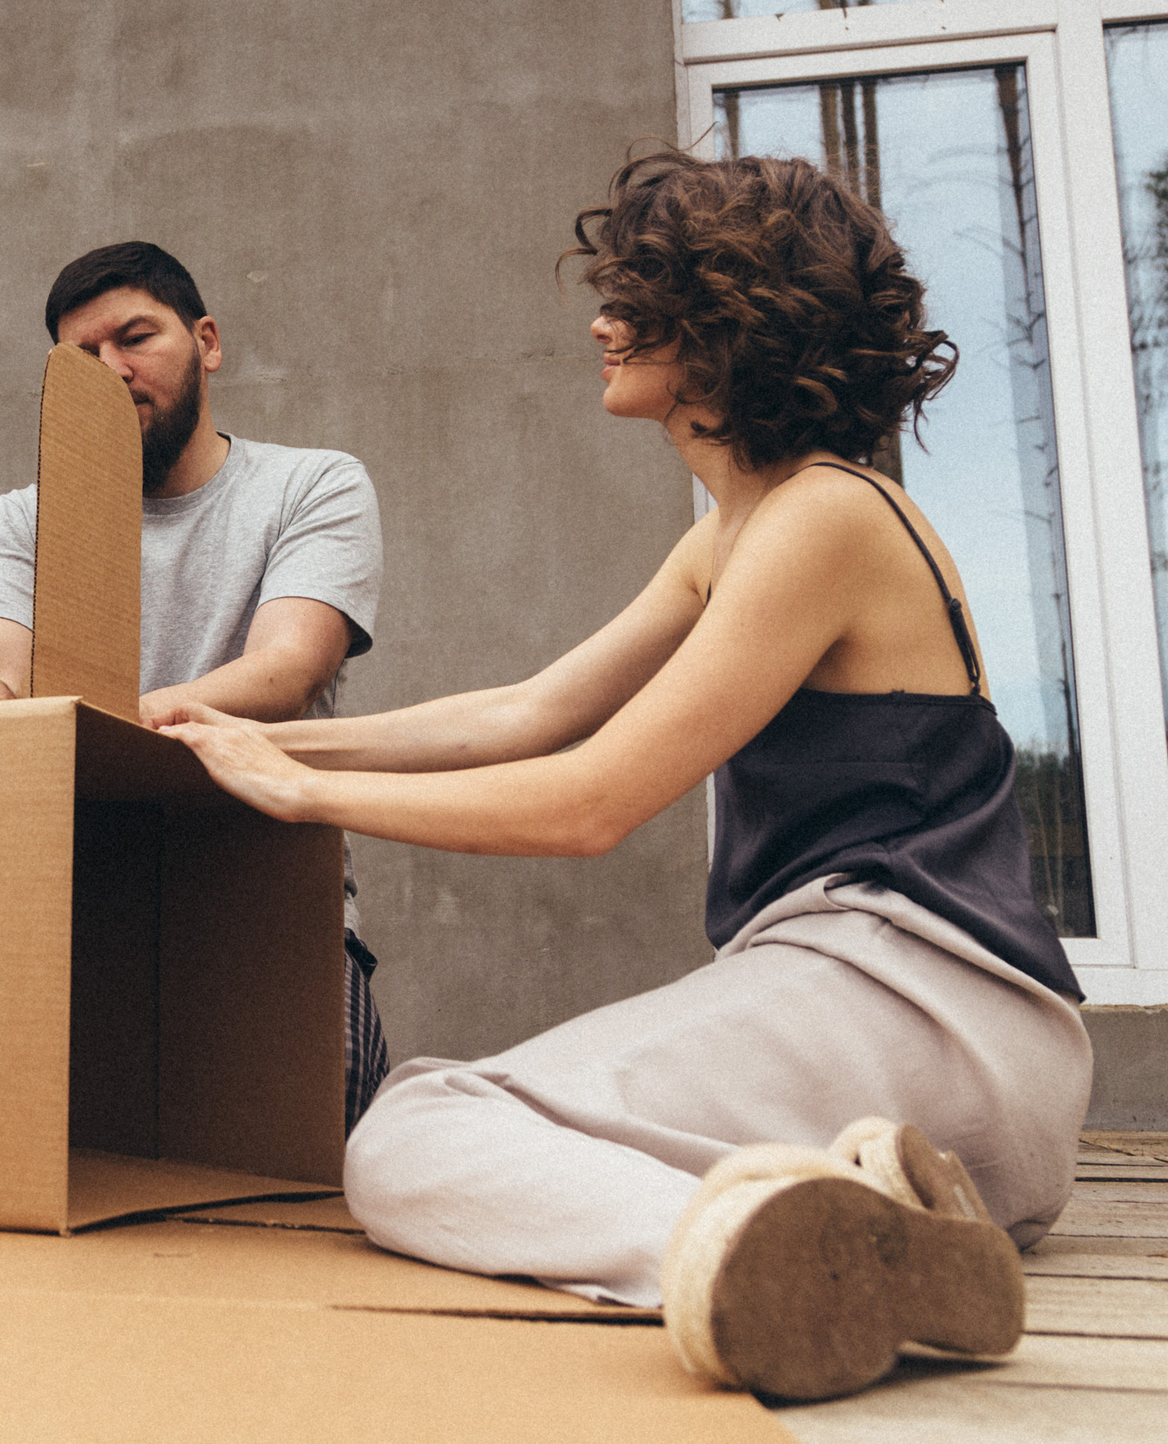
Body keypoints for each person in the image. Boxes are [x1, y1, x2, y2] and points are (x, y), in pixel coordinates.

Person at [153, 150, 1093, 1400]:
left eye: (642, 297)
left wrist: (302, 792)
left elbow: (588, 801)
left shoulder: (824, 517)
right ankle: (886, 1227)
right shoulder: (742, 529)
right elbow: (523, 714)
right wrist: (224, 736)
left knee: (416, 1134)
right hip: (933, 1056)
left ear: (736, 321)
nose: (602, 321)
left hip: (915, 998)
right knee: (462, 1120)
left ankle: (798, 1262)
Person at [0, 241, 391, 1128]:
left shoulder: (311, 485)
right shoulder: (23, 519)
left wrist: (127, 725)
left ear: (207, 341)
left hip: (262, 895)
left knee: (324, 1130)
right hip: (73, 899)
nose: (112, 371)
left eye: (135, 338)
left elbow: (289, 666)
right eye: (82, 358)